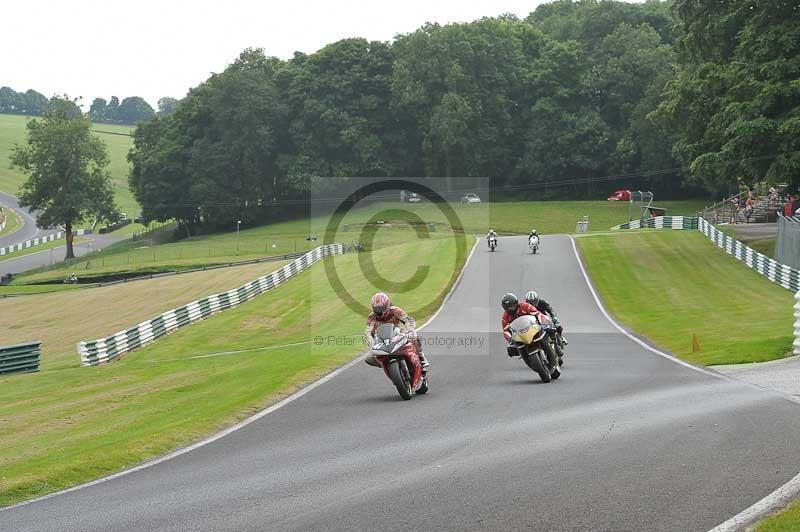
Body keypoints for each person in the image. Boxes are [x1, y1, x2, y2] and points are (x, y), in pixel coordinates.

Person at [364, 292, 429, 370]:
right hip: (381, 340)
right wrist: (372, 345)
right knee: (368, 358)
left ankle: (421, 357)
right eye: (377, 309)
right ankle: (387, 365)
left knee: (414, 337)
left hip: (398, 334)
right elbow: (367, 333)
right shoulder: (371, 317)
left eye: (381, 308)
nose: (379, 311)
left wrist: (410, 330)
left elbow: (408, 320)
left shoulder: (395, 310)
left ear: (387, 305)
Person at [500, 293, 545, 358]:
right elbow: (505, 331)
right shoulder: (505, 316)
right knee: (511, 349)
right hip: (520, 334)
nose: (510, 309)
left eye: (512, 306)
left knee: (547, 331)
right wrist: (510, 339)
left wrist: (542, 322)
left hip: (533, 327)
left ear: (516, 303)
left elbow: (537, 313)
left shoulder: (525, 306)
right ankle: (524, 355)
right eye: (507, 307)